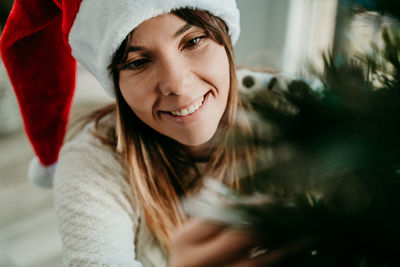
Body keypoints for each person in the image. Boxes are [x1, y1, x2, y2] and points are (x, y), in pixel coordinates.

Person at [1, 0, 309, 266]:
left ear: (225, 37)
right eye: (137, 62)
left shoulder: (300, 114)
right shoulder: (92, 163)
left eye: (193, 41)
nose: (176, 84)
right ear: (116, 84)